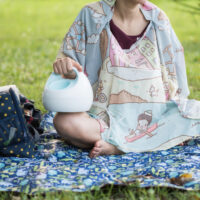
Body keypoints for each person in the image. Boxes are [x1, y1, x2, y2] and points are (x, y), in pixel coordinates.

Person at [52, 0, 200, 158]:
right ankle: (146, 142)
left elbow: (174, 74)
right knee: (63, 122)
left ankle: (118, 146)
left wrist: (178, 112)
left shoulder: (158, 19)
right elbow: (71, 65)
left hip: (156, 119)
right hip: (104, 119)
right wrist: (66, 67)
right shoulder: (91, 15)